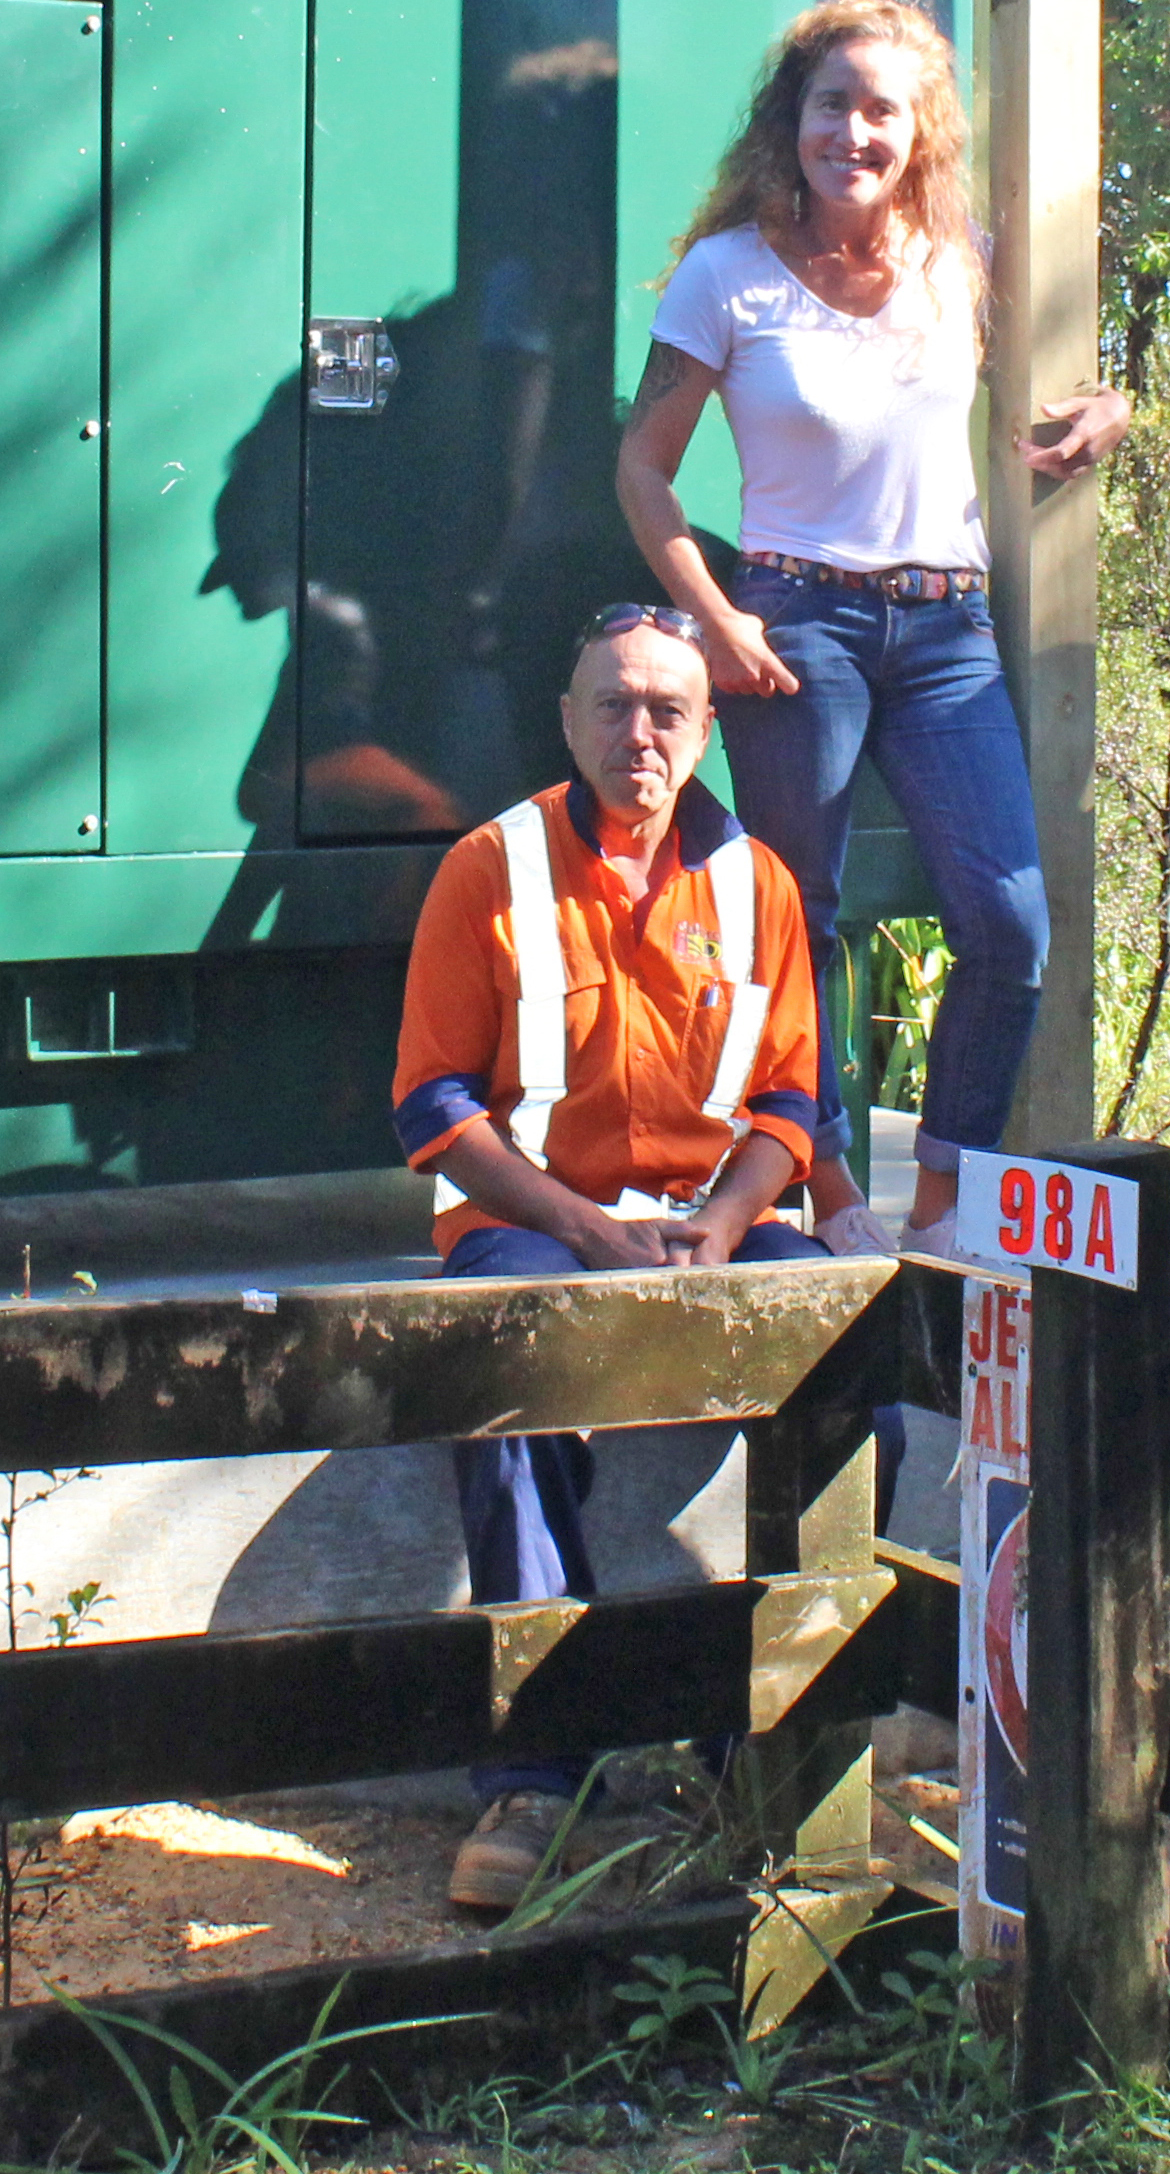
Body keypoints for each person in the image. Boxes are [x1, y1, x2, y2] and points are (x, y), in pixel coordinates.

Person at [618, 0, 1129, 1241]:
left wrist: (1115, 404)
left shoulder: (964, 261)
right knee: (800, 919)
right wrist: (716, 621)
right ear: (791, 118)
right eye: (831, 104)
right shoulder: (727, 275)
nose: (853, 132)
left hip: (950, 633)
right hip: (797, 629)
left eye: (881, 111)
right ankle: (830, 1184)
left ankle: (943, 1199)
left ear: (920, 132)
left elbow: (1072, 375)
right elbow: (642, 470)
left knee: (1008, 922)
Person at [390, 603, 840, 1912]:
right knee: (505, 1361)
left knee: (851, 1356)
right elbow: (434, 1108)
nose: (639, 732)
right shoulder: (491, 868)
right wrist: (588, 1233)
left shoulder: (758, 885)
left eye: (666, 710)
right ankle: (538, 1772)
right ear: (567, 720)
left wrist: (725, 1221)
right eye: (613, 704)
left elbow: (792, 1105)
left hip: (709, 1224)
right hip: (537, 1221)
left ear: (704, 733)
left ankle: (763, 1733)